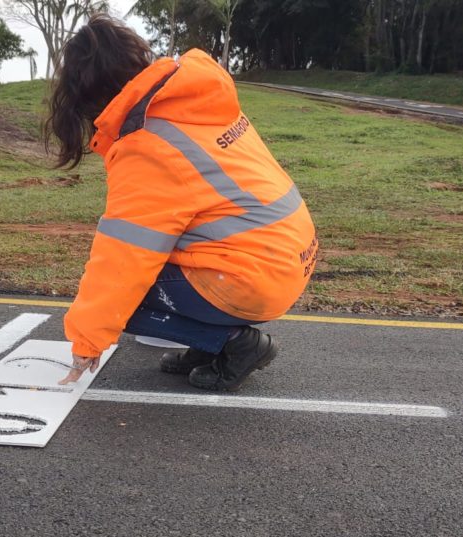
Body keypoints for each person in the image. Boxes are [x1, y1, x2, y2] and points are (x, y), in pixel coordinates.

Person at [47, 15, 318, 392]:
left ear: (89, 94)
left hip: (250, 277)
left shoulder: (147, 145)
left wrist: (87, 340)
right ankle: (206, 345)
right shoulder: (194, 105)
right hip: (289, 259)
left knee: (123, 296)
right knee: (155, 265)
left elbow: (123, 261)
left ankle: (236, 345)